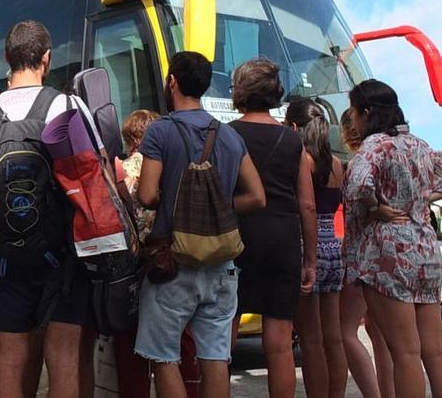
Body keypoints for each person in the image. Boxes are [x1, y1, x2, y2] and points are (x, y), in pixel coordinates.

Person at [0, 20, 104, 398]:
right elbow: (95, 170)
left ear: (6, 58)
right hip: (65, 256)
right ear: (46, 59)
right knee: (63, 357)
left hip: (10, 258)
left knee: (9, 360)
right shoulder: (66, 105)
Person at [134, 51, 265, 398]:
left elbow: (147, 194)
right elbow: (257, 197)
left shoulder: (160, 130)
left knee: (164, 358)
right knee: (216, 358)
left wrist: (181, 205)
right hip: (222, 264)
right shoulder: (229, 136)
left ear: (172, 81)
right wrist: (214, 207)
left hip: (174, 261)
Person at [344, 79, 442, 398]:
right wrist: (423, 198)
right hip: (426, 250)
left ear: (366, 112)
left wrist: (378, 207)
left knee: (405, 353)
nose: (353, 119)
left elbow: (357, 186)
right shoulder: (419, 145)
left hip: (389, 254)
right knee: (435, 351)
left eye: (354, 112)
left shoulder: (375, 146)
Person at [227, 58, 318, 398]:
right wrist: (309, 259)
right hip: (282, 243)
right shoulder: (292, 141)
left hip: (236, 242)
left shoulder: (227, 135)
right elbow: (307, 204)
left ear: (241, 92)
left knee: (224, 341)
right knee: (279, 346)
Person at [286, 98, 347, 398]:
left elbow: (304, 206)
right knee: (333, 338)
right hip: (332, 250)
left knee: (310, 340)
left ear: (294, 127)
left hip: (306, 245)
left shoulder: (300, 161)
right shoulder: (336, 164)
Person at [337, 107, 394, 398]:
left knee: (345, 331)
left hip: (361, 257)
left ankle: (372, 394)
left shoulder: (357, 167)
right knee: (382, 335)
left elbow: (353, 216)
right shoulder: (389, 161)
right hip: (389, 256)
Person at [110, 109, 160, 398]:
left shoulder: (121, 170)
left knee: (129, 342)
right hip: (161, 260)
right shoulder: (164, 169)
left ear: (131, 138)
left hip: (128, 263)